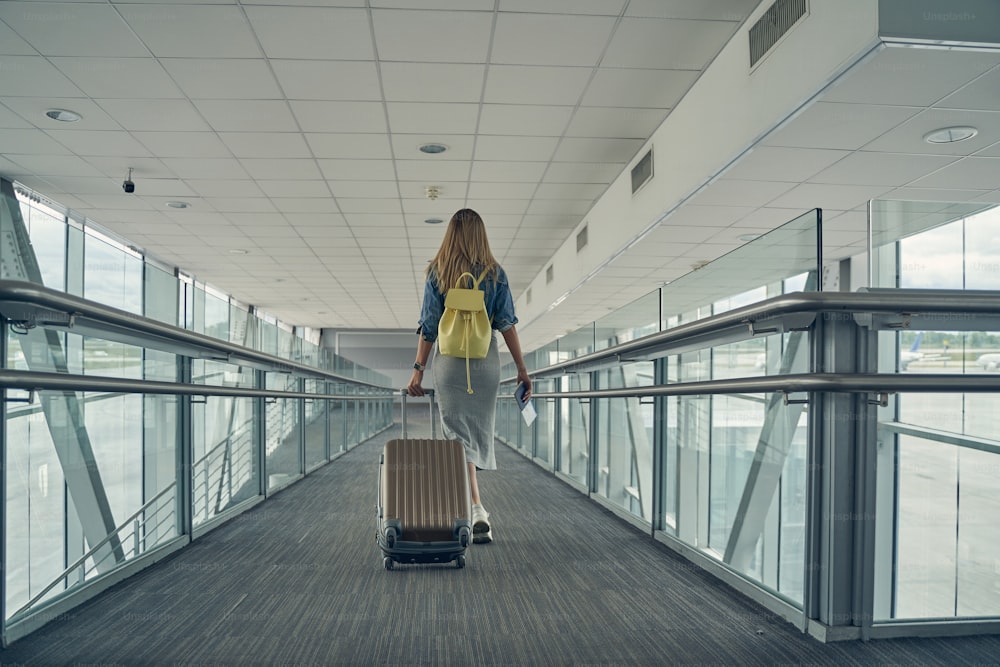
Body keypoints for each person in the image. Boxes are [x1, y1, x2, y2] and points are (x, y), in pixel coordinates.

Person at [407, 208, 532, 544]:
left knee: (457, 437)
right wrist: (521, 369)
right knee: (471, 436)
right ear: (481, 235)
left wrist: (418, 371)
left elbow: (429, 327)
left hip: (450, 364)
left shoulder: (438, 272)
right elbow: (506, 324)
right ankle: (475, 505)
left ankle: (476, 507)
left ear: (450, 234)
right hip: (484, 364)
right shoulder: (496, 274)